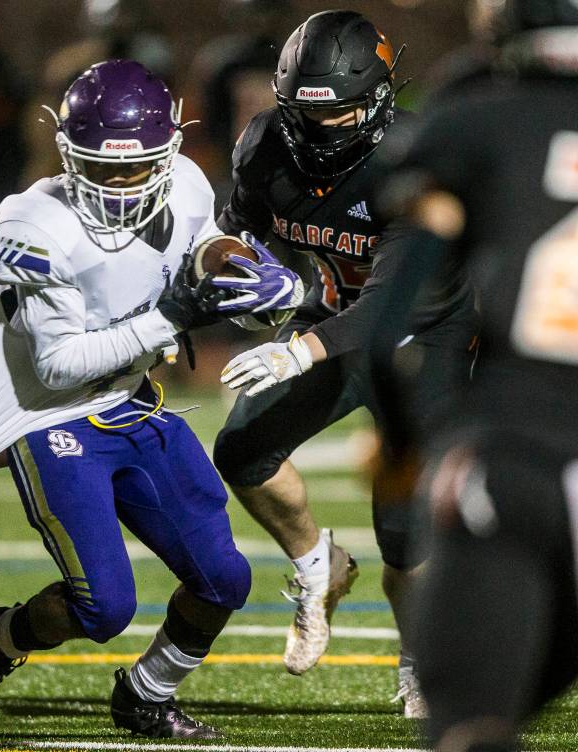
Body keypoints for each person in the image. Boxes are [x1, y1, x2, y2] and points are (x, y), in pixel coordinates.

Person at [0, 59, 301, 739]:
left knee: (224, 577)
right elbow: (59, 364)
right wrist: (172, 318)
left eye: (137, 166)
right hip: (51, 415)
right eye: (104, 167)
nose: (124, 183)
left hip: (131, 399)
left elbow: (204, 240)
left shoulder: (184, 180)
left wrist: (241, 268)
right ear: (69, 155)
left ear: (168, 152)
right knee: (103, 607)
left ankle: (147, 694)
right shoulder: (30, 224)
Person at [209, 10, 477, 716]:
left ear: (381, 100)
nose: (321, 129)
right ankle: (315, 564)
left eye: (341, 113)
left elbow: (395, 304)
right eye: (304, 112)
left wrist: (297, 346)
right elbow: (237, 237)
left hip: (426, 339)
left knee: (404, 535)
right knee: (241, 449)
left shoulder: (414, 161)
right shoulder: (267, 143)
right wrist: (239, 284)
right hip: (329, 314)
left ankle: (419, 656)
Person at [367, 1, 578, 748]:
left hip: (513, 451)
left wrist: (401, 448)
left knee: (472, 723)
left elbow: (387, 333)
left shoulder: (478, 117)